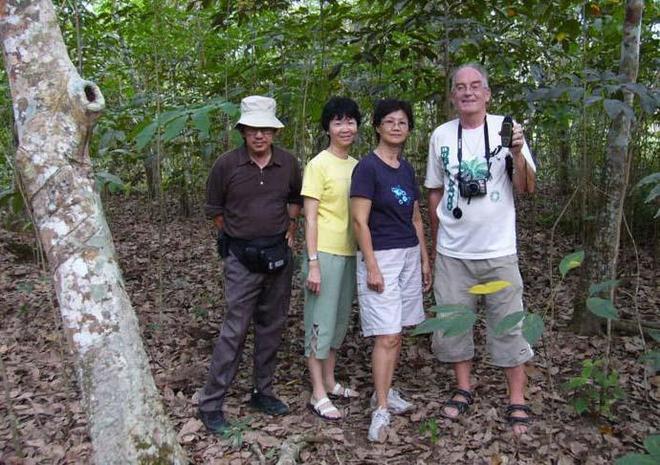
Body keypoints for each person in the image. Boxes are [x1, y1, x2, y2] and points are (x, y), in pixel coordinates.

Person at [424, 63, 536, 435]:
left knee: (509, 325)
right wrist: (438, 238)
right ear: (453, 95)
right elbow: (435, 190)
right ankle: (463, 387)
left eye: (476, 86)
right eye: (460, 87)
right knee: (454, 324)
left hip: (499, 249)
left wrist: (517, 153)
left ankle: (516, 398)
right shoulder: (440, 135)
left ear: (487, 93)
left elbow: (526, 188)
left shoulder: (508, 129)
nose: (468, 92)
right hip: (454, 251)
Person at [199, 95, 303, 433]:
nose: (259, 136)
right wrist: (235, 243)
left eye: (266, 130)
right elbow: (214, 210)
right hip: (241, 258)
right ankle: (211, 403)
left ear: (274, 132)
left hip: (278, 256)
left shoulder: (288, 163)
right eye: (252, 129)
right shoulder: (226, 165)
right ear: (243, 131)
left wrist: (289, 230)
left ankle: (262, 391)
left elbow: (294, 199)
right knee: (235, 329)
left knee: (272, 326)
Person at [350, 99, 432, 442]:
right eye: (390, 121)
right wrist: (371, 265)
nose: (396, 127)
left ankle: (384, 391)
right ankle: (380, 409)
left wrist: (426, 259)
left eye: (403, 122)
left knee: (397, 330)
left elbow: (415, 217)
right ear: (378, 127)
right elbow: (359, 220)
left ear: (409, 129)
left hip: (409, 254)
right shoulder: (367, 168)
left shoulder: (406, 168)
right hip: (380, 256)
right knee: (386, 334)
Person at [301, 97, 362, 421]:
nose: (345, 127)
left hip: (349, 254)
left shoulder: (357, 165)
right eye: (338, 121)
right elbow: (309, 218)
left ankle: (330, 380)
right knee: (318, 324)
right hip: (323, 254)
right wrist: (312, 262)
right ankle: (317, 392)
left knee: (338, 324)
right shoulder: (318, 165)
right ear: (327, 127)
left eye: (350, 121)